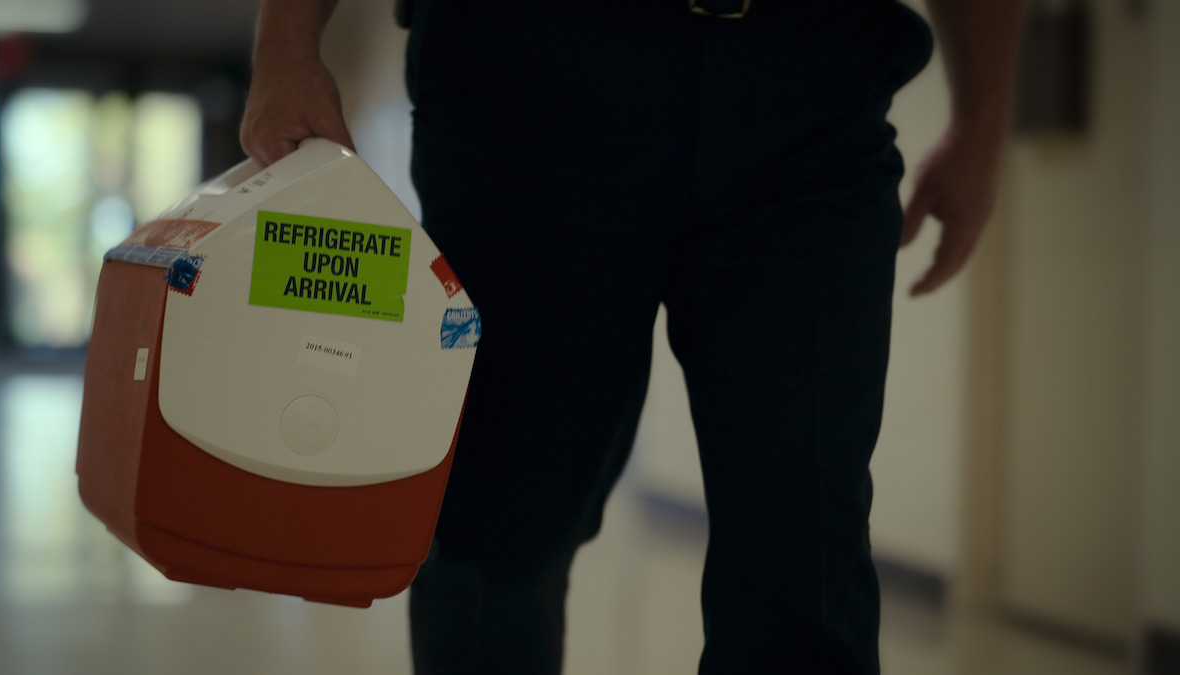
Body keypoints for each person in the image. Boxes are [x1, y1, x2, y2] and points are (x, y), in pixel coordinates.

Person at [241, 0, 1025, 672]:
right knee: (498, 535)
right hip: (525, 89)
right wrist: (285, 41)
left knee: (806, 553)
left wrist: (983, 119)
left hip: (814, 96)